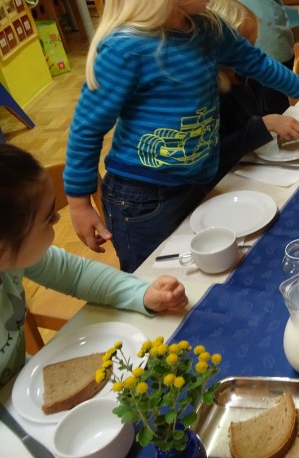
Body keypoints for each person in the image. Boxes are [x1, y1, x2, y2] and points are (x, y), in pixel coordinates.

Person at [64, 0, 299, 273]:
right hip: (143, 198)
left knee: (198, 272)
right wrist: (79, 203)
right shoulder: (126, 49)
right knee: (156, 279)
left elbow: (257, 62)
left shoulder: (208, 27)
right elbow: (86, 129)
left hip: (196, 181)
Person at [0, 144, 188, 386]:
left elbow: (76, 275)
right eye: (48, 218)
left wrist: (140, 292)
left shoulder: (15, 257)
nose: (58, 218)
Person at [207, 0, 299, 170]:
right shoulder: (209, 93)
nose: (252, 55)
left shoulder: (247, 77)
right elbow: (216, 154)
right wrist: (266, 124)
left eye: (253, 46)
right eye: (245, 48)